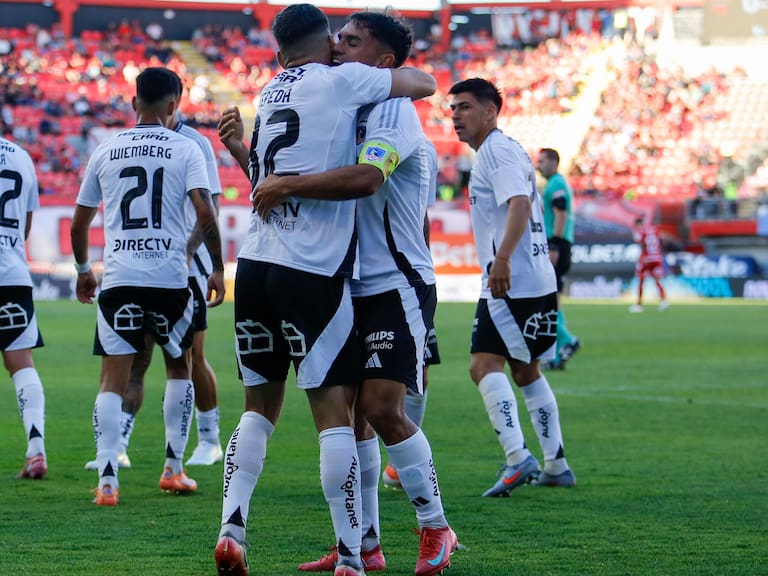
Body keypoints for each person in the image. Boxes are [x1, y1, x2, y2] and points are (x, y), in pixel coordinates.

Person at [212, 5, 436, 576]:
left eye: (353, 39)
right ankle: (355, 556)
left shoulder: (279, 93)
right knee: (339, 416)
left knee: (282, 409)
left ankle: (236, 527)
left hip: (283, 269)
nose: (340, 44)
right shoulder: (342, 84)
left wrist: (246, 156)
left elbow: (287, 184)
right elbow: (425, 81)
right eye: (337, 36)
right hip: (317, 273)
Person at [70, 67, 225, 506]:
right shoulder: (187, 147)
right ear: (175, 105)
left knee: (111, 380)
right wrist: (215, 267)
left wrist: (84, 268)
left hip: (119, 279)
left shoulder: (106, 148)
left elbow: (81, 220)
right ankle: (174, 469)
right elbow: (207, 213)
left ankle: (107, 481)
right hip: (171, 279)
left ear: (134, 102)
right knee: (181, 367)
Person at [448, 78, 575, 495]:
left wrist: (501, 259)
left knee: (483, 366)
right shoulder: (510, 148)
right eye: (452, 109)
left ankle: (518, 458)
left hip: (510, 280)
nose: (455, 116)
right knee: (526, 370)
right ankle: (556, 463)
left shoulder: (495, 153)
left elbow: (519, 204)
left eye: (465, 107)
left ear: (490, 111)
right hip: (535, 277)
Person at [0, 135, 48, 480]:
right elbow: (26, 226)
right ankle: (36, 450)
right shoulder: (21, 156)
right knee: (21, 362)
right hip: (12, 272)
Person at [536, 147, 580, 370]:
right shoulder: (557, 183)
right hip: (559, 244)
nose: (538, 165)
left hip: (557, 245)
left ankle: (567, 340)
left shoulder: (555, 184)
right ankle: (556, 353)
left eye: (542, 161)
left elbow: (561, 213)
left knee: (549, 300)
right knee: (553, 299)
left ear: (554, 161)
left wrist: (554, 245)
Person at [630, 217, 668, 312]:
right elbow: (662, 238)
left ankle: (639, 305)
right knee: (657, 280)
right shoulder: (655, 229)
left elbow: (639, 241)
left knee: (641, 280)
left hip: (646, 259)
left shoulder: (641, 231)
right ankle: (664, 301)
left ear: (638, 224)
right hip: (657, 257)